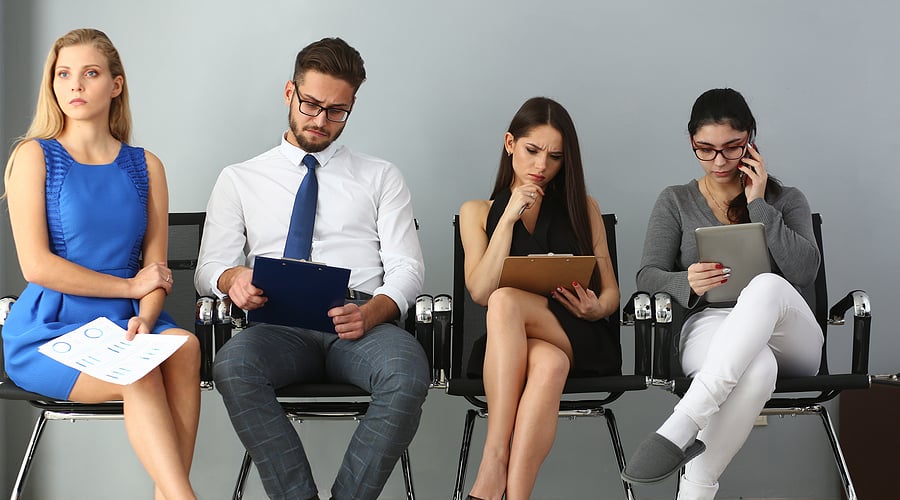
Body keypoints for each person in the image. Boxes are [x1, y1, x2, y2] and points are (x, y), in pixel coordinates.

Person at [196, 37, 429, 500]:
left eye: (337, 111)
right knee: (233, 366)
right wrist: (232, 280)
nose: (321, 121)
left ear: (352, 106)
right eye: (311, 105)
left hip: (359, 322)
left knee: (407, 373)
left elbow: (407, 267)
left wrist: (375, 311)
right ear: (289, 93)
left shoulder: (381, 176)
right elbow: (210, 267)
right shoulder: (239, 178)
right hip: (277, 322)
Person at [2, 28, 200, 499]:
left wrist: (145, 319)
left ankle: (169, 495)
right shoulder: (33, 157)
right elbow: (37, 267)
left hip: (127, 321)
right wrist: (131, 291)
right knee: (138, 372)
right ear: (52, 84)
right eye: (63, 74)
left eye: (90, 73)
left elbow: (155, 272)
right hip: (52, 328)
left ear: (115, 85)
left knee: (187, 347)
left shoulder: (145, 165)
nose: (75, 85)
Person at [621, 88, 823, 499]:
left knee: (765, 285)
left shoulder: (787, 200)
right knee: (758, 367)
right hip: (710, 324)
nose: (719, 161)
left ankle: (682, 424)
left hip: (788, 333)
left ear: (751, 139)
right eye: (705, 150)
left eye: (732, 149)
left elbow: (805, 270)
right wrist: (685, 282)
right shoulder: (675, 201)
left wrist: (759, 203)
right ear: (691, 141)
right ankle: (694, 489)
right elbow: (647, 277)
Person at [458, 97, 621, 500]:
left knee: (506, 300)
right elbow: (479, 290)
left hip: (578, 333)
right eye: (532, 151)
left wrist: (596, 306)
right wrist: (509, 217)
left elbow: (611, 292)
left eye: (554, 157)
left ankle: (493, 460)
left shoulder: (584, 207)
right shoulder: (478, 211)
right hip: (512, 345)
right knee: (546, 362)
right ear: (510, 143)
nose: (541, 166)